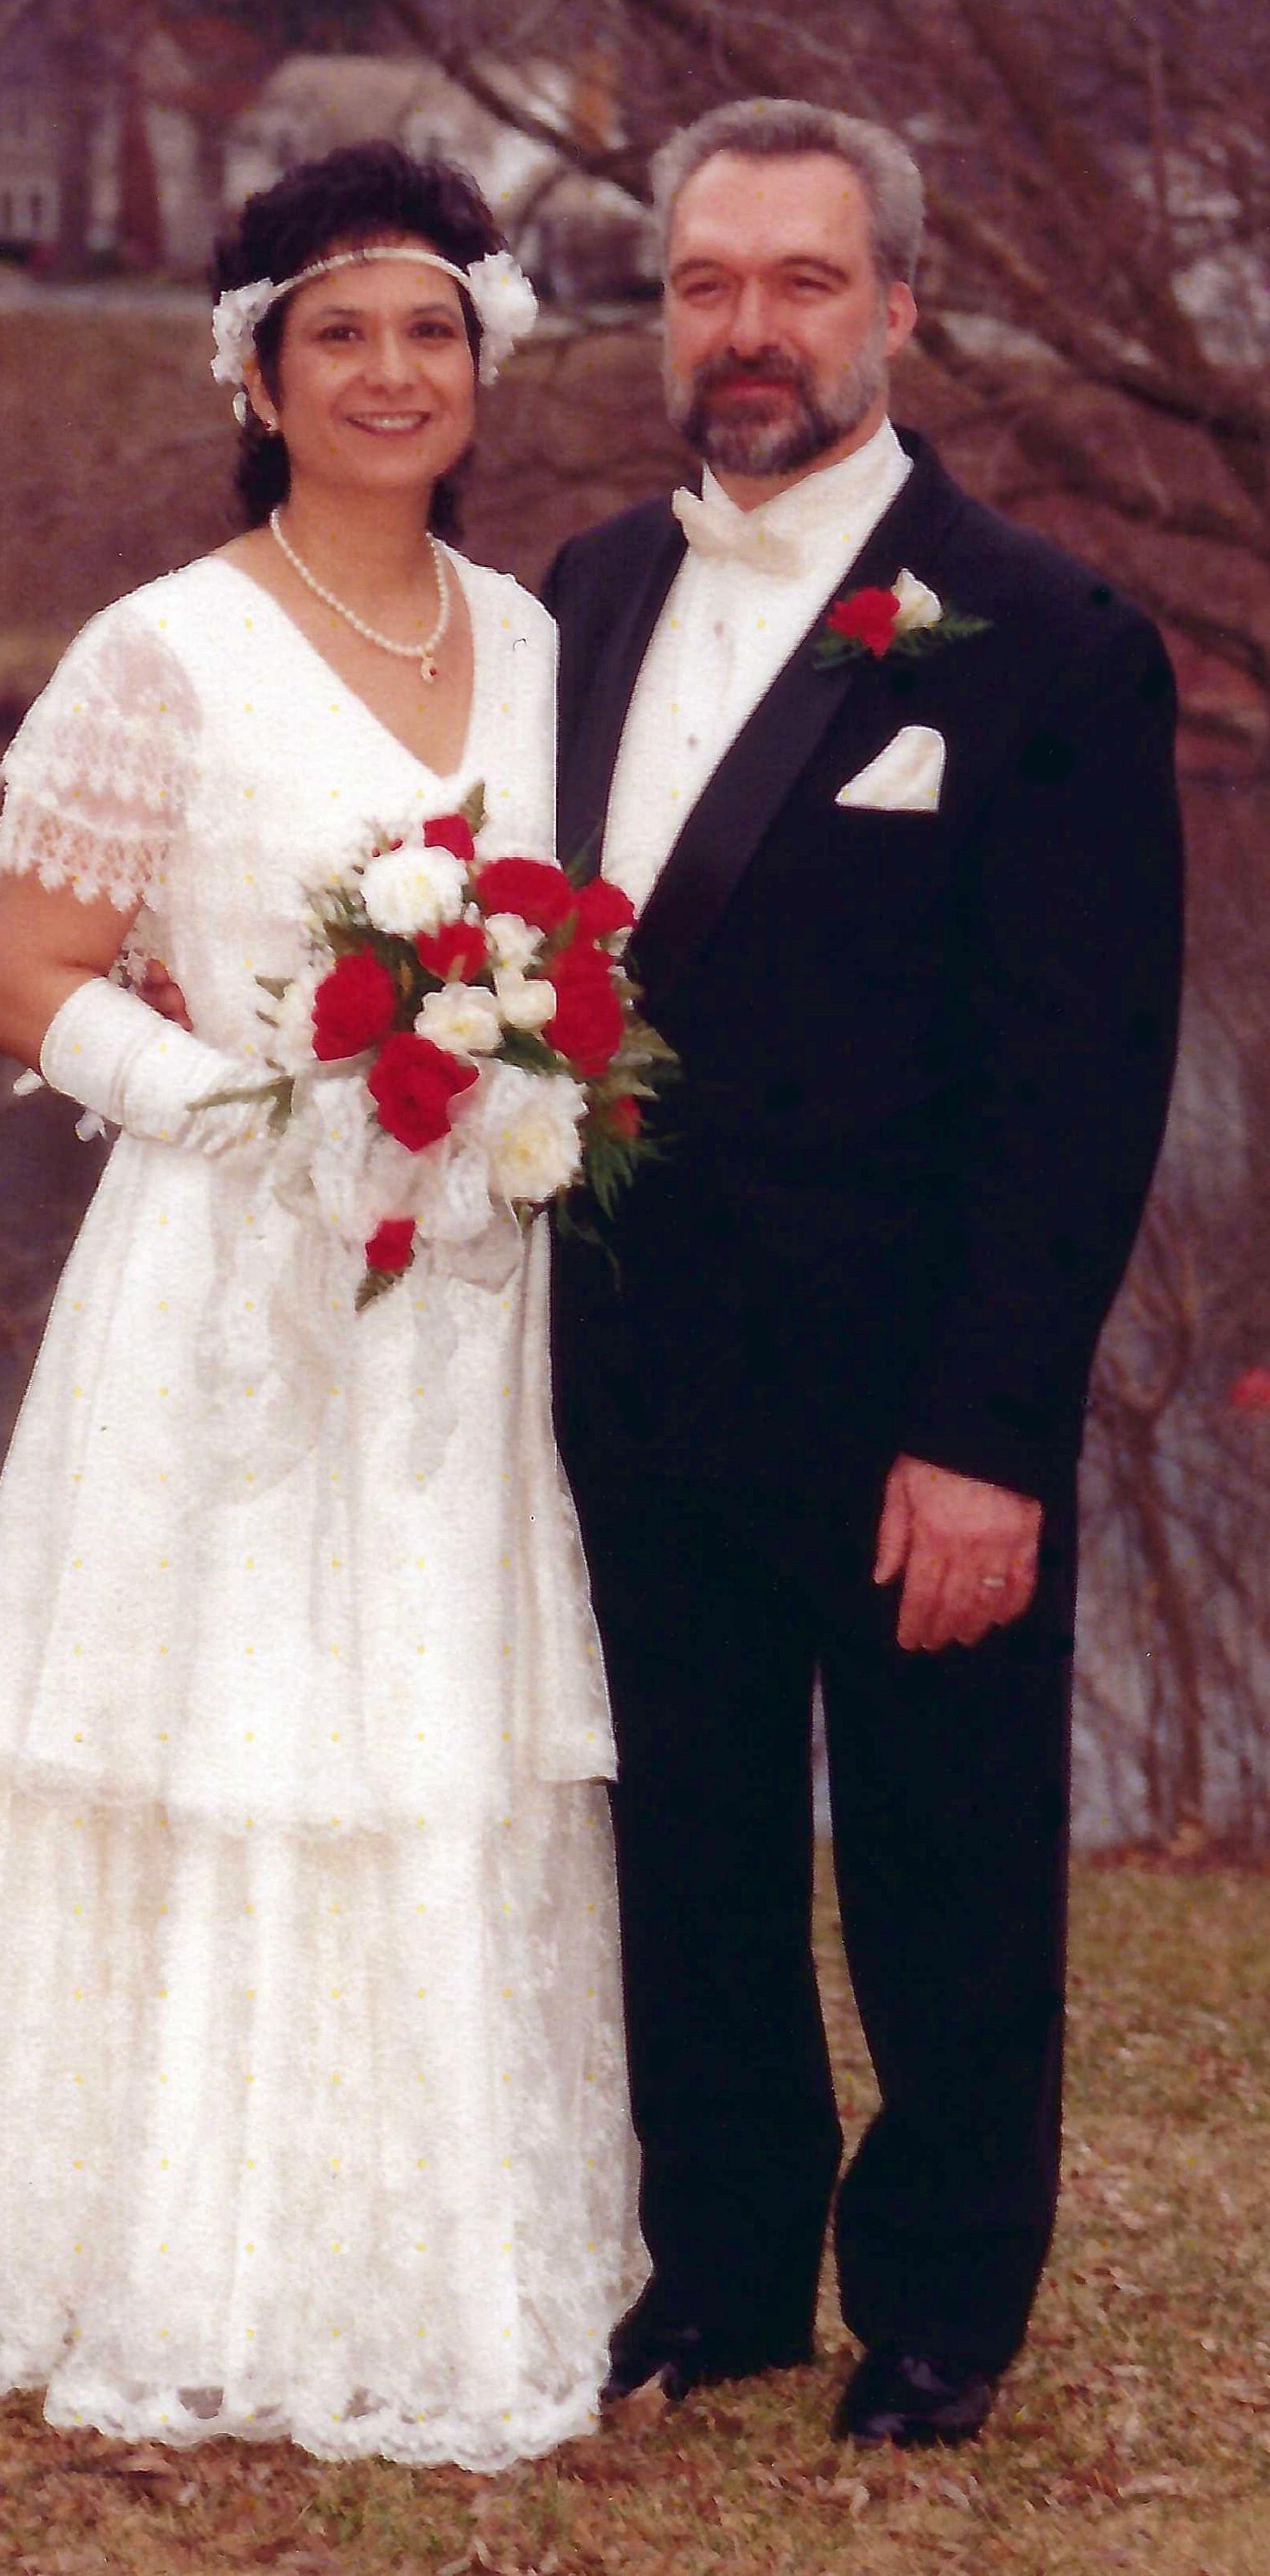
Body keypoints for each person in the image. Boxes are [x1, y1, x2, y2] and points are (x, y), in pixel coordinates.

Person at [0, 142, 644, 2471]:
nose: (392, 373)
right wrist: (257, 1123)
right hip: (225, 1285)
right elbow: (29, 977)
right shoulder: (158, 646)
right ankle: (184, 2262)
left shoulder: (536, 638)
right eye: (340, 335)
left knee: (420, 1732)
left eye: (429, 331)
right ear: (260, 374)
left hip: (464, 1294)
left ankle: (422, 2262)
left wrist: (495, 1102)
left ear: (482, 361)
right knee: (232, 1737)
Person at [542, 99, 1183, 2447]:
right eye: (707, 281)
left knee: (941, 1855)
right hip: (627, 1378)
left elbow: (1080, 1081)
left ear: (897, 308)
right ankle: (716, 2269)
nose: (748, 328)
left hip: (915, 1394)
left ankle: (937, 2303)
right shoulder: (579, 596)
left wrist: (990, 1433)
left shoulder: (1047, 636)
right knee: (684, 1845)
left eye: (801, 283)